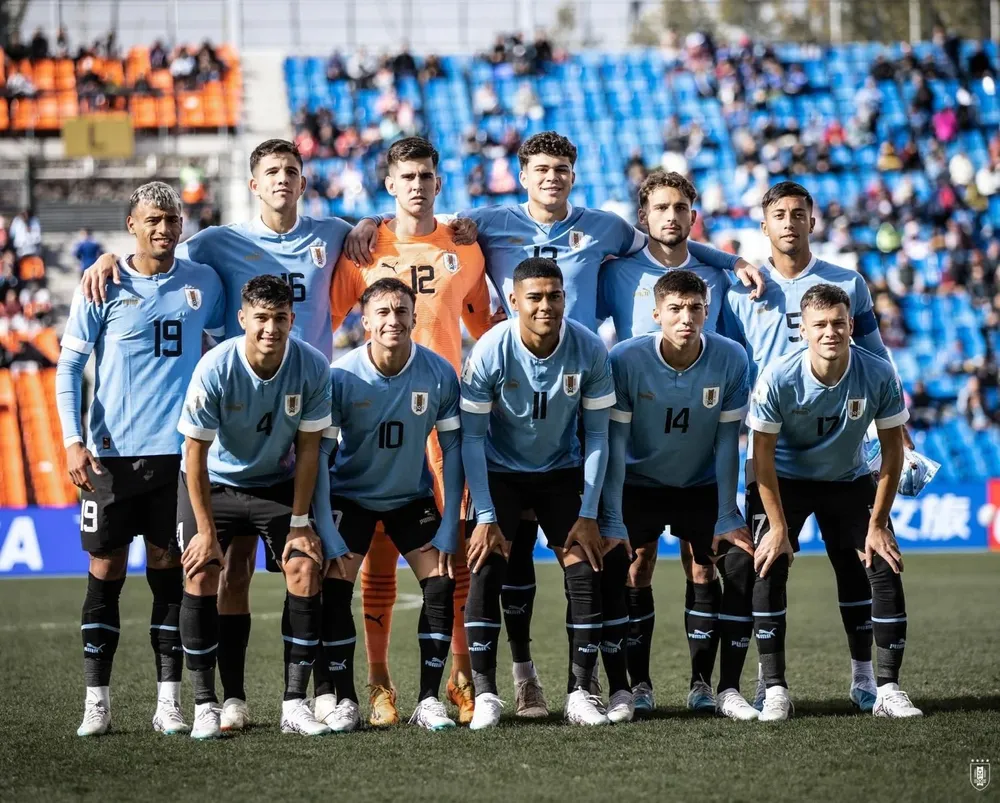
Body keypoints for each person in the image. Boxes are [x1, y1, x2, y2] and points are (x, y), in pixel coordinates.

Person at [349, 130, 761, 717]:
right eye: (541, 167)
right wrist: (368, 222)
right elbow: (415, 218)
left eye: (562, 168)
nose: (551, 177)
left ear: (574, 174)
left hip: (573, 414)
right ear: (522, 175)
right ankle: (504, 682)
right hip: (486, 414)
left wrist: (732, 259)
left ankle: (590, 686)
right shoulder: (484, 225)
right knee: (484, 556)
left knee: (592, 554)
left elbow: (670, 243)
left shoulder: (607, 228)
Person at [77, 139, 472, 732]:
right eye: (271, 172)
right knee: (230, 570)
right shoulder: (215, 242)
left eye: (292, 170)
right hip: (241, 431)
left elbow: (382, 236)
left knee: (310, 561)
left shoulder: (336, 234)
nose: (282, 179)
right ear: (254, 183)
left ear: (303, 181)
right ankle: (227, 699)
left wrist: (393, 223)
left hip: (312, 419)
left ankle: (319, 697)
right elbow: (155, 254)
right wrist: (110, 258)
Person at [722, 180, 908, 714]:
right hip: (772, 448)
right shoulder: (743, 286)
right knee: (763, 562)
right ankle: (770, 681)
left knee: (863, 563)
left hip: (842, 450)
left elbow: (877, 360)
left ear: (812, 220)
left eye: (798, 213)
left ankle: (870, 680)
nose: (789, 222)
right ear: (764, 225)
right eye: (778, 214)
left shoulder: (846, 282)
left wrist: (900, 431)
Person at [328, 137, 492, 726]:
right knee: (375, 552)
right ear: (390, 185)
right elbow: (326, 321)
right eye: (407, 176)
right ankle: (379, 684)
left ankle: (462, 676)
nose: (417, 184)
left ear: (438, 182)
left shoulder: (465, 248)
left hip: (444, 417)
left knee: (454, 553)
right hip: (378, 415)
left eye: (427, 174)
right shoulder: (364, 248)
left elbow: (485, 322)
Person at [55, 182, 226, 737]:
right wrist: (71, 440)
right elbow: (67, 370)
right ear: (131, 224)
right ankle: (96, 703)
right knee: (104, 574)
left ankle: (168, 701)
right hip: (109, 461)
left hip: (178, 460)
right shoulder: (103, 283)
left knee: (168, 576)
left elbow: (225, 354)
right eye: (153, 219)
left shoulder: (203, 280)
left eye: (172, 219)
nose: (164, 229)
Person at [597, 171, 754, 712]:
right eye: (660, 208)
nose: (671, 216)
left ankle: (707, 686)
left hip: (699, 461)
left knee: (706, 563)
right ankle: (633, 684)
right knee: (633, 564)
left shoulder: (717, 273)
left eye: (681, 207)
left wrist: (732, 261)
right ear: (644, 218)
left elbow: (734, 355)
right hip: (638, 457)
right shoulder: (615, 272)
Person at [747, 283, 921, 720]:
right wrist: (779, 527)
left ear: (850, 325)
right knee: (768, 563)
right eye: (820, 324)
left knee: (881, 563)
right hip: (783, 480)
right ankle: (774, 690)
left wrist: (878, 523)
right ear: (803, 329)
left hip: (847, 478)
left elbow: (893, 452)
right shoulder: (778, 377)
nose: (831, 332)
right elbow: (760, 459)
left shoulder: (878, 373)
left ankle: (880, 686)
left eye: (839, 323)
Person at [459, 257, 617, 729]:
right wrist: (485, 514)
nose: (545, 305)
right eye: (535, 297)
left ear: (565, 298)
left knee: (585, 563)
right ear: (513, 302)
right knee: (486, 564)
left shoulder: (588, 349)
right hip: (500, 471)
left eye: (554, 296)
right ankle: (487, 695)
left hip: (560, 470)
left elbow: (600, 437)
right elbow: (469, 438)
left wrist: (589, 511)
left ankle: (580, 692)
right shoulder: (491, 349)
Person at [175, 275, 332, 739]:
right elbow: (194, 455)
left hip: (274, 484)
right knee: (205, 570)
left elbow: (309, 451)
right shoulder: (215, 367)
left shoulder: (312, 365)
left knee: (304, 567)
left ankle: (294, 702)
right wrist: (204, 530)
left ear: (291, 320)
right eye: (260, 318)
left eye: (279, 318)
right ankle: (211, 702)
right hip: (215, 484)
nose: (270, 328)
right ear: (242, 319)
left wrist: (301, 522)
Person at [311, 278, 464, 732]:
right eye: (383, 312)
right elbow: (318, 455)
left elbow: (453, 450)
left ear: (415, 318)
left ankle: (429, 701)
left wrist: (450, 521)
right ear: (365, 321)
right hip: (350, 497)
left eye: (401, 311)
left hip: (409, 498)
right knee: (333, 584)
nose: (393, 320)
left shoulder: (438, 373)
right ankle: (344, 700)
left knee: (439, 581)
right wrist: (326, 524)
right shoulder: (340, 377)